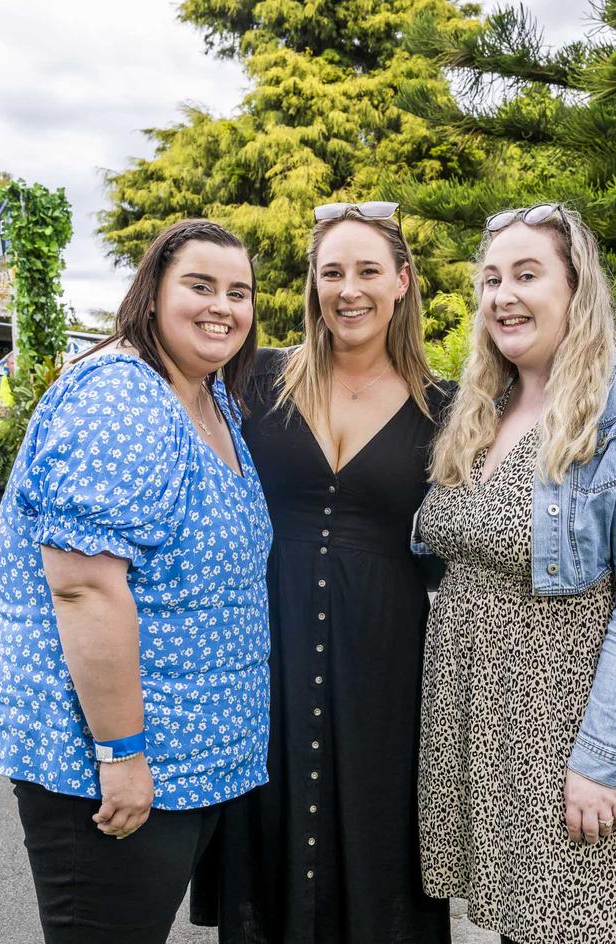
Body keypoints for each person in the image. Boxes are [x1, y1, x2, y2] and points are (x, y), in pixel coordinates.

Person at [417, 203, 616, 944]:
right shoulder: (485, 406)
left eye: (525, 274)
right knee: (523, 929)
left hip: (568, 729)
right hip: (487, 727)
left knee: (567, 927)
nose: (502, 295)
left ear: (576, 290)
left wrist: (603, 763)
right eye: (490, 280)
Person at [0, 218, 272, 944]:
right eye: (199, 286)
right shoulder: (123, 399)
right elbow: (83, 588)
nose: (223, 306)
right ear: (152, 294)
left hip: (187, 758)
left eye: (239, 292)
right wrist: (124, 755)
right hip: (106, 765)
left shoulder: (207, 395)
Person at [191, 202, 452, 943]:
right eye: (331, 271)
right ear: (311, 284)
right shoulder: (254, 382)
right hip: (263, 649)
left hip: (387, 660)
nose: (348, 289)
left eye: (368, 270)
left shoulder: (449, 409)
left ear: (402, 281)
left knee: (377, 838)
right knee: (269, 835)